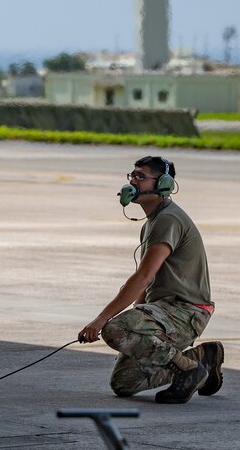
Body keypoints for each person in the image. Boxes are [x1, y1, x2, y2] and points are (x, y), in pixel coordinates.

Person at [77, 155, 223, 403]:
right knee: (124, 383)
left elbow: (143, 277)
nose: (133, 181)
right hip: (165, 310)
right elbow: (148, 281)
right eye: (132, 175)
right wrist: (139, 323)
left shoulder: (168, 220)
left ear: (163, 184)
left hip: (185, 311)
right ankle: (202, 358)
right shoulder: (154, 220)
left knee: (114, 328)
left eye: (141, 177)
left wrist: (101, 320)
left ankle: (189, 370)